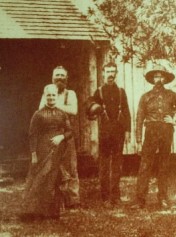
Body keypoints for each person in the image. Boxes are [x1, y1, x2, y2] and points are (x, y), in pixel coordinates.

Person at [131, 64, 176, 209]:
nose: (158, 79)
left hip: (166, 131)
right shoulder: (145, 97)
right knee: (145, 165)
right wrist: (139, 139)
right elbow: (139, 118)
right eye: (155, 76)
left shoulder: (171, 95)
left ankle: (163, 198)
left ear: (165, 79)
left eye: (161, 76)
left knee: (164, 165)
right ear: (152, 79)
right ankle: (140, 200)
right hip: (151, 131)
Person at [20, 84, 73, 221]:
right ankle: (33, 211)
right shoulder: (38, 114)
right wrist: (33, 154)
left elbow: (70, 131)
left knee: (54, 179)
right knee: (40, 178)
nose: (51, 97)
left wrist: (61, 137)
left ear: (56, 96)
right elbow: (32, 135)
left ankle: (52, 212)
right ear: (45, 96)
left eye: (53, 95)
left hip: (58, 150)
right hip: (42, 150)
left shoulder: (62, 114)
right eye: (48, 95)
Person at [86, 62, 131, 207]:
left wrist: (128, 131)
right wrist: (93, 107)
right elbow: (89, 108)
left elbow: (126, 112)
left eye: (113, 72)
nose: (110, 74)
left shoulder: (121, 92)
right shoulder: (98, 92)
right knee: (104, 166)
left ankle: (116, 196)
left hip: (119, 132)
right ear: (103, 73)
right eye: (108, 72)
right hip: (105, 133)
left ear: (116, 74)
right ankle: (105, 197)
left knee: (117, 165)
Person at [39, 66, 80, 209]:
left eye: (63, 75)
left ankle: (73, 200)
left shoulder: (71, 94)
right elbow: (40, 111)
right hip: (51, 136)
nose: (60, 78)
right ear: (52, 78)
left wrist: (54, 105)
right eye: (57, 75)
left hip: (67, 136)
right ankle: (56, 200)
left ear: (67, 78)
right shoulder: (47, 92)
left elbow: (73, 110)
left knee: (71, 167)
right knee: (53, 168)